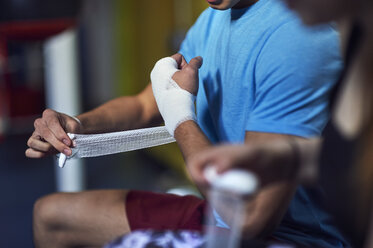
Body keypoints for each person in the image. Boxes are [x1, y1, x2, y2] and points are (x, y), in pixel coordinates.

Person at [26, 0, 343, 247]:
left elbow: (251, 218)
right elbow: (144, 105)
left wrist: (180, 117)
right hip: (220, 215)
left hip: (292, 237)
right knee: (51, 215)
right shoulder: (214, 19)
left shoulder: (297, 41)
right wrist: (78, 124)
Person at [188, 0, 373, 246]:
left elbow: (251, 221)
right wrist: (288, 158)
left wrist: (180, 118)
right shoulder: (359, 41)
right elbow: (348, 159)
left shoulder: (304, 39)